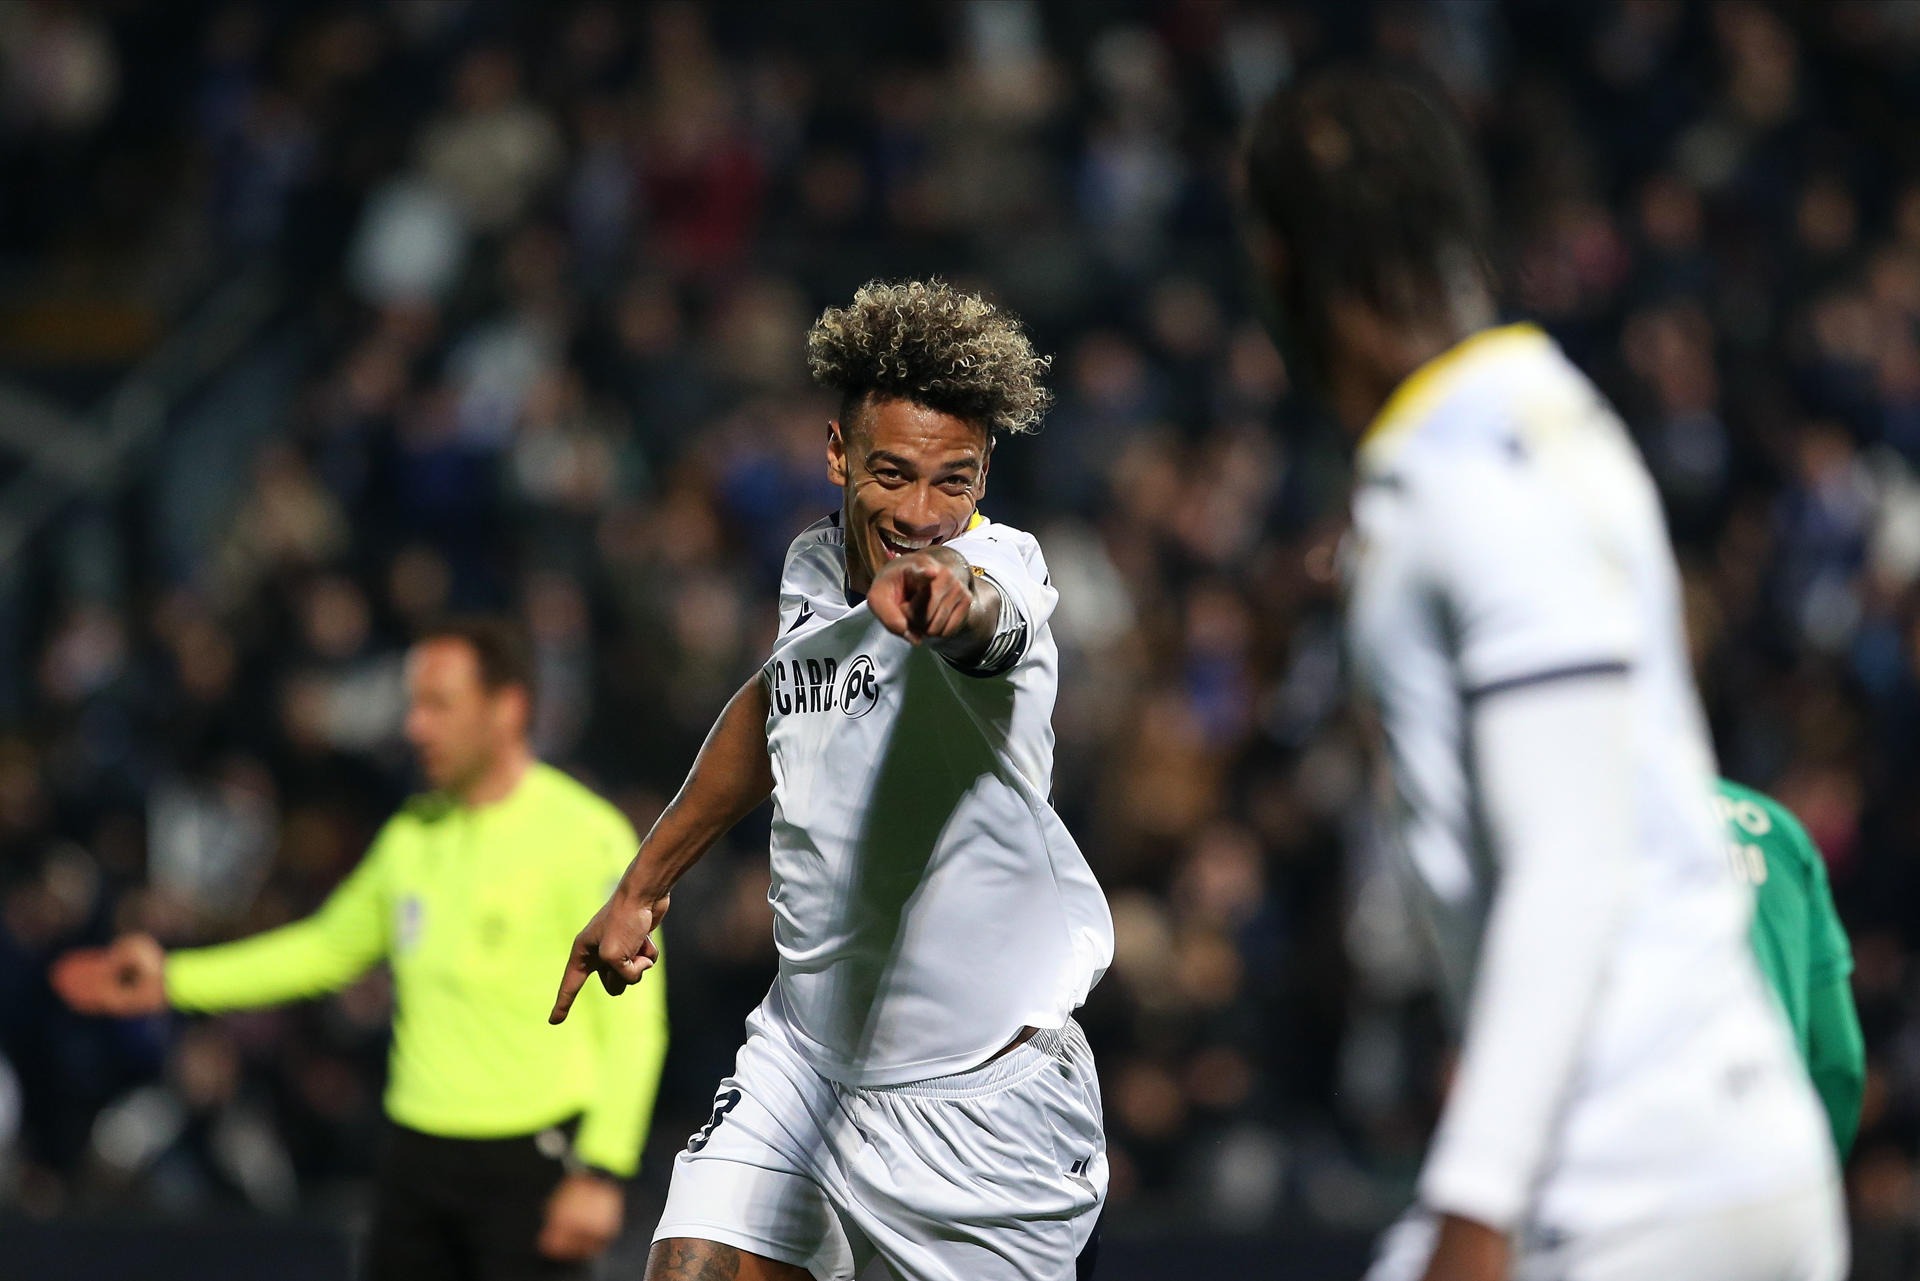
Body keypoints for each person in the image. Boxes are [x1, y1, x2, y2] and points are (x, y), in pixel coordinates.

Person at [1243, 70, 1843, 1281]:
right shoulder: (1560, 418)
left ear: (1293, 272)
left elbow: (1569, 859)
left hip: (1628, 1186)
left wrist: (1475, 1208)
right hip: (1717, 1149)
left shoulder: (1467, 487)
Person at [549, 278, 1113, 1281]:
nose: (926, 512)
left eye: (957, 480)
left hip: (982, 1108)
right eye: (894, 474)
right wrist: (645, 883)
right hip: (806, 1057)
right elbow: (772, 706)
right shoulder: (813, 570)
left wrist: (949, 597)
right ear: (838, 456)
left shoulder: (1004, 572)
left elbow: (990, 616)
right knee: (689, 1265)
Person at [52, 617, 665, 1281]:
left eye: (439, 705)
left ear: (507, 708)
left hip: (534, 1161)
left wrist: (604, 1168)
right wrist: (173, 978)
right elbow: (323, 949)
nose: (415, 727)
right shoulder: (411, 833)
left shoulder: (586, 836)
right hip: (414, 1159)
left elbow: (635, 1020)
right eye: (414, 705)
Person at [1716, 780, 1865, 1158]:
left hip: (1632, 1176)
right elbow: (1838, 1056)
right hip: (1777, 1168)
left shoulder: (1574, 831)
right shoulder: (1776, 827)